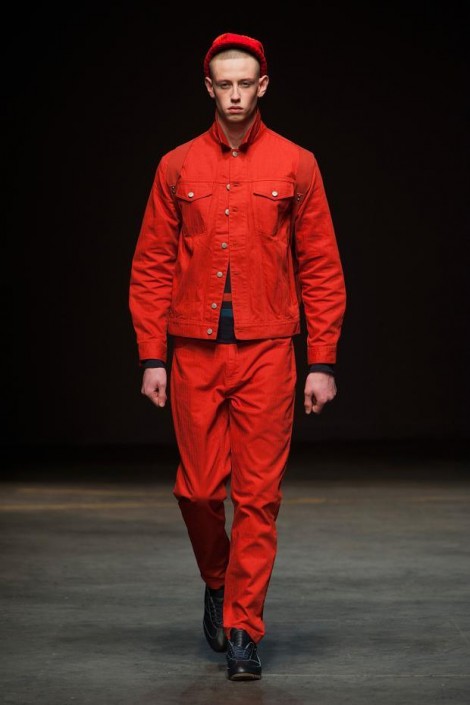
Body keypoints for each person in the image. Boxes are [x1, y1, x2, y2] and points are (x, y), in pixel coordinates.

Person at [129, 32, 347, 681]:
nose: (233, 95)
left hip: (269, 352)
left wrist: (322, 361)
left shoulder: (296, 163)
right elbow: (151, 264)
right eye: (223, 84)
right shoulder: (176, 166)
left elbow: (321, 265)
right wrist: (151, 356)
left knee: (258, 497)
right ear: (209, 87)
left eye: (244, 84)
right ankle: (219, 579)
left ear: (262, 86)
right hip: (193, 352)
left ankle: (244, 628)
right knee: (197, 490)